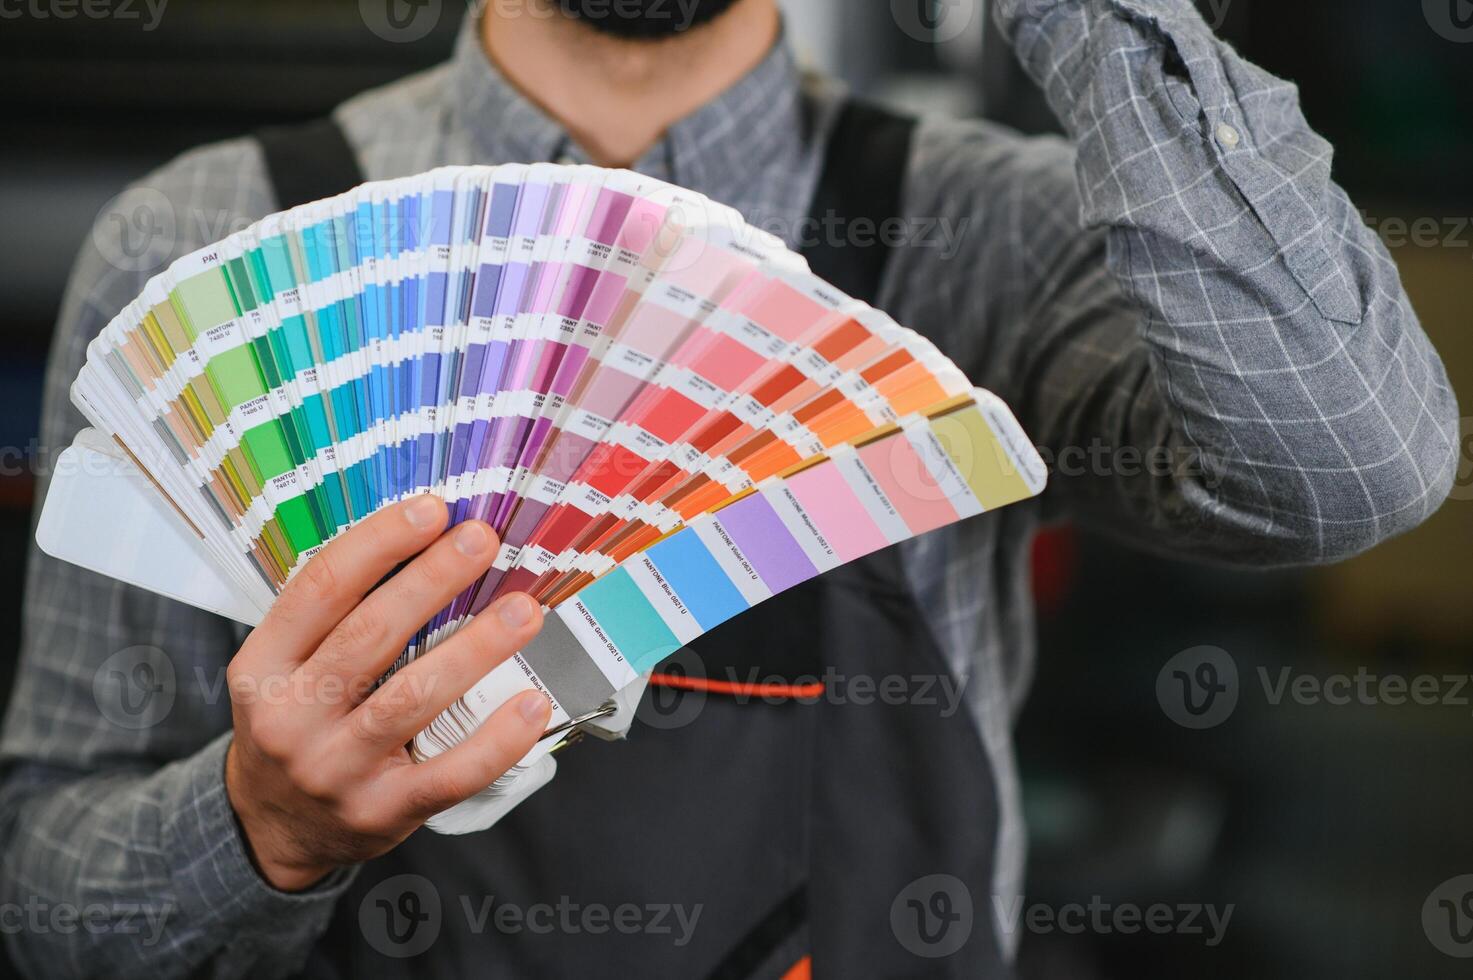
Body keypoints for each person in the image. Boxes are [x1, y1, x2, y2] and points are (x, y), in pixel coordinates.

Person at [0, 0, 1460, 976]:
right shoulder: (211, 231)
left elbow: (1346, 473)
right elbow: (47, 900)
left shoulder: (988, 227)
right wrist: (264, 829)